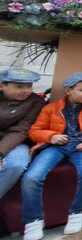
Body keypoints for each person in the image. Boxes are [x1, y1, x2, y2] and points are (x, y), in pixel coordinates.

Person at [22, 73, 82, 240]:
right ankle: (33, 220)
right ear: (68, 91)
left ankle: (76, 212)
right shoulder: (50, 109)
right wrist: (51, 136)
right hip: (55, 147)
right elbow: (34, 131)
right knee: (32, 177)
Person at [0, 69, 46, 200]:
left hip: (17, 142)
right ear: (2, 86)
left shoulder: (36, 102)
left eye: (29, 86)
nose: (25, 90)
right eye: (19, 86)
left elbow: (21, 130)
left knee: (16, 165)